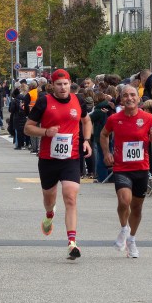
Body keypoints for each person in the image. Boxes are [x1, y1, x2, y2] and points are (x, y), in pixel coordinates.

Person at [24, 69, 93, 260]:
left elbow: (86, 121)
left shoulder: (78, 100)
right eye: (59, 84)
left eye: (65, 84)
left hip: (71, 157)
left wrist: (87, 140)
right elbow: (28, 128)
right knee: (49, 198)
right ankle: (49, 214)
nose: (63, 88)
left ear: (70, 84)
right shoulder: (44, 102)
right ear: (52, 86)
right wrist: (46, 132)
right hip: (48, 158)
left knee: (70, 197)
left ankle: (72, 243)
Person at [101, 84, 152, 258]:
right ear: (121, 99)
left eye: (132, 95)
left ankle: (132, 239)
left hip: (141, 168)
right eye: (126, 95)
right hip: (121, 168)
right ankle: (124, 228)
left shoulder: (148, 118)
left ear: (138, 98)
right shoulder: (114, 119)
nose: (129, 98)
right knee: (124, 201)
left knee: (136, 207)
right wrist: (107, 153)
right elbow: (104, 134)